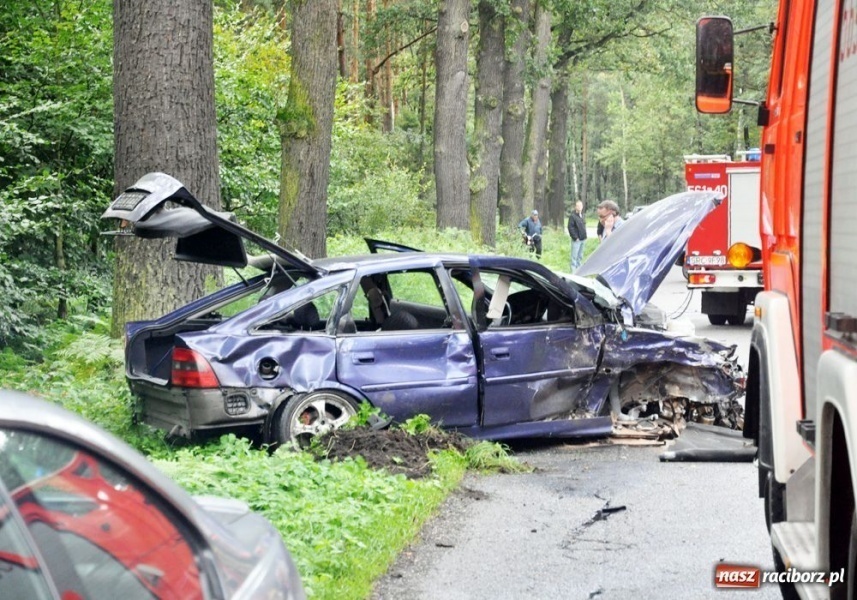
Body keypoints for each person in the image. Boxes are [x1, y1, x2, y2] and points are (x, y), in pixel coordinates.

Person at [567, 201, 587, 271]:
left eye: (581, 206)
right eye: (578, 206)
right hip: (577, 240)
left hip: (583, 239)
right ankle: (573, 272)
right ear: (576, 207)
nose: (579, 207)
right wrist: (575, 237)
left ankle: (579, 271)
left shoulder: (582, 215)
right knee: (574, 257)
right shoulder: (573, 216)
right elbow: (570, 227)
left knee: (580, 256)